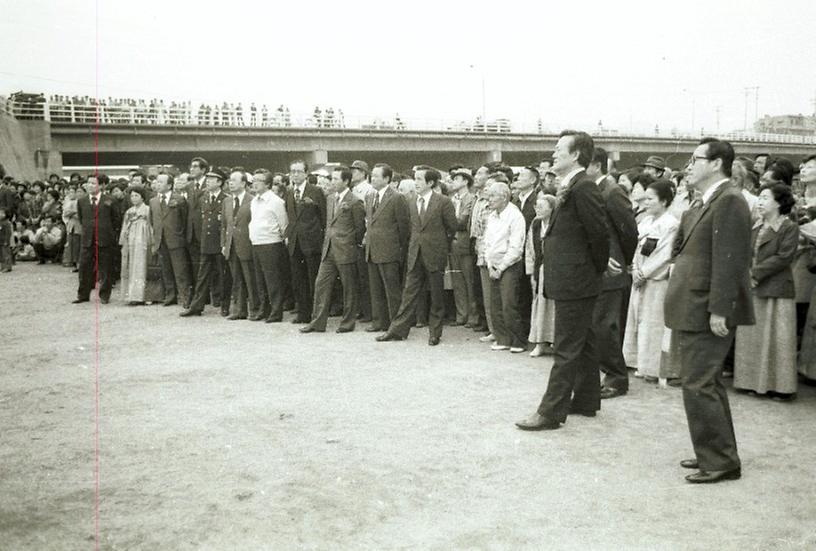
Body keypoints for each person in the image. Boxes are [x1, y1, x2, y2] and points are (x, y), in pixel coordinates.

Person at [664, 138, 753, 484]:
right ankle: (714, 452)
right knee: (703, 383)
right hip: (694, 305)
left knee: (699, 384)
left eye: (695, 159)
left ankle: (720, 461)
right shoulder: (708, 201)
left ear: (716, 163)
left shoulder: (729, 200)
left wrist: (720, 311)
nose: (689, 166)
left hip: (706, 308)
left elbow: (730, 262)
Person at [516, 130, 609, 431]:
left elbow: (599, 235)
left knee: (566, 346)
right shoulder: (573, 184)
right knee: (585, 341)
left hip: (576, 280)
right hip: (573, 279)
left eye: (559, 150)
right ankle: (586, 400)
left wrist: (591, 271)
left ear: (576, 156)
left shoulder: (583, 187)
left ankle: (550, 412)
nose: (553, 154)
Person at [376, 166, 457, 346]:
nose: (416, 182)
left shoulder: (443, 201)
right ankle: (397, 330)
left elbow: (452, 227)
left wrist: (438, 245)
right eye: (415, 179)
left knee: (436, 296)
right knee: (408, 294)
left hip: (434, 255)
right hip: (415, 254)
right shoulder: (411, 202)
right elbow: (410, 228)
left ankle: (435, 333)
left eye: (420, 179)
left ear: (430, 182)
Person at [734, 183, 799, 399]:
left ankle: (780, 387)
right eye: (759, 198)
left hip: (776, 288)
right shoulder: (756, 225)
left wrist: (755, 273)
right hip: (753, 286)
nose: (760, 202)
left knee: (777, 339)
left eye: (765, 198)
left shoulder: (788, 227)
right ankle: (752, 382)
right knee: (753, 336)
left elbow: (784, 257)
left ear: (779, 202)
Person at [588, 148, 639, 399]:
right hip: (598, 268)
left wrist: (622, 259)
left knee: (606, 325)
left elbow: (629, 231)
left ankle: (617, 379)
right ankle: (606, 374)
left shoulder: (611, 191)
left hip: (612, 268)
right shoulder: (595, 190)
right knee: (597, 325)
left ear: (596, 165)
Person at [622, 180, 679, 383]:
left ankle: (653, 367)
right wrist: (635, 269)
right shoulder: (645, 222)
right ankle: (637, 361)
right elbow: (637, 250)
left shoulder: (671, 224)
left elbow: (665, 255)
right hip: (639, 278)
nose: (647, 202)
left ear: (663, 201)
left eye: (651, 198)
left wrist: (644, 273)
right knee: (637, 319)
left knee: (653, 324)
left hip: (656, 279)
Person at [301, 166, 366, 333]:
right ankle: (317, 322)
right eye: (332, 179)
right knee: (321, 284)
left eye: (336, 179)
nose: (333, 182)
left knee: (349, 288)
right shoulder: (330, 199)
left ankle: (347, 323)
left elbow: (359, 229)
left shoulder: (355, 201)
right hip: (328, 249)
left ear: (346, 181)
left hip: (346, 250)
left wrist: (350, 245)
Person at [365, 163, 410, 333]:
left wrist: (398, 250)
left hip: (389, 250)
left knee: (392, 290)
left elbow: (403, 227)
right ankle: (379, 322)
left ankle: (396, 325)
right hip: (372, 249)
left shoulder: (396, 197)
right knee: (376, 289)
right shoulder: (370, 196)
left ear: (387, 179)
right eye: (372, 175)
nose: (372, 178)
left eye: (376, 176)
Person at [483, 181, 527, 353]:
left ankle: (518, 340)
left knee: (509, 303)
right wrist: (490, 264)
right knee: (495, 304)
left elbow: (516, 247)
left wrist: (500, 267)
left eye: (493, 195)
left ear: (504, 197)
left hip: (509, 265)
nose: (489, 198)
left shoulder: (515, 216)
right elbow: (487, 242)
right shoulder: (492, 216)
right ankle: (503, 338)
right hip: (492, 264)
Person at [180, 168, 230, 317]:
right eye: (207, 179)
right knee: (202, 277)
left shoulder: (225, 199)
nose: (208, 181)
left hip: (219, 243)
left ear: (220, 182)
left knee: (223, 276)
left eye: (212, 179)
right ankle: (196, 306)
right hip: (206, 243)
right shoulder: (204, 198)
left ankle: (224, 305)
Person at [285, 160, 327, 324]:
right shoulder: (289, 192)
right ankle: (303, 313)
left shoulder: (315, 191)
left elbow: (323, 217)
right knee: (298, 279)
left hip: (312, 242)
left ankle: (316, 314)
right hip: (295, 242)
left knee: (313, 279)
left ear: (306, 174)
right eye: (292, 171)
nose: (295, 174)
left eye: (298, 171)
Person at [73, 175, 121, 304]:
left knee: (105, 267)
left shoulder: (110, 200)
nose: (90, 186)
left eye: (93, 183)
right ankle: (82, 295)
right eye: (88, 183)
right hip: (88, 239)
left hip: (105, 239)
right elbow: (82, 219)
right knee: (84, 267)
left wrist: (108, 233)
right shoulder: (82, 201)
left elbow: (116, 220)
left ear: (101, 186)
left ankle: (104, 295)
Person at [249, 170, 289, 323]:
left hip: (271, 244)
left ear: (267, 184)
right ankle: (264, 310)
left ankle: (276, 312)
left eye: (259, 180)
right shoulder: (254, 201)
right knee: (260, 280)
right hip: (256, 243)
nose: (255, 183)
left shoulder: (276, 201)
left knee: (273, 280)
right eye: (253, 180)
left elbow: (283, 224)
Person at [220, 169, 259, 320]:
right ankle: (239, 310)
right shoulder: (227, 201)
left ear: (243, 183)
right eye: (229, 180)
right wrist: (224, 244)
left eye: (234, 180)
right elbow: (224, 225)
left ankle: (255, 310)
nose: (230, 183)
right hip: (231, 246)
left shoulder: (252, 200)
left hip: (247, 244)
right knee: (236, 279)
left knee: (251, 279)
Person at [150, 173, 192, 307]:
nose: (158, 184)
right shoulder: (153, 201)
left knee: (180, 271)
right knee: (166, 270)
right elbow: (153, 221)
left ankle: (185, 297)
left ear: (169, 185)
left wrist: (181, 236)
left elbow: (185, 220)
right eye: (157, 182)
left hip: (176, 240)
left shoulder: (179, 200)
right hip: (161, 240)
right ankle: (170, 295)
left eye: (161, 182)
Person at [526, 192, 557, 357]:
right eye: (536, 206)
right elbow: (530, 249)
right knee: (539, 305)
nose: (538, 209)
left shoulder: (557, 224)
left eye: (542, 206)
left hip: (555, 270)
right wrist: (531, 273)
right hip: (540, 270)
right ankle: (540, 343)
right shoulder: (536, 224)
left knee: (555, 307)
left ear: (552, 208)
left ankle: (555, 342)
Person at [448, 169, 477, 327]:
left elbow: (462, 222)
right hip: (453, 244)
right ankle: (461, 314)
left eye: (457, 178)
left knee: (469, 280)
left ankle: (473, 316)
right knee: (457, 280)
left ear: (466, 181)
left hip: (465, 245)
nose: (453, 181)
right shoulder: (452, 199)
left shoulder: (471, 199)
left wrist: (449, 222)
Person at [350, 160, 374, 323]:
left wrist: (364, 236)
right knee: (357, 277)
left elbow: (368, 217)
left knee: (365, 278)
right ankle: (361, 309)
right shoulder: (354, 190)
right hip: (354, 236)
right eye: (352, 170)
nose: (353, 173)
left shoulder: (367, 190)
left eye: (357, 170)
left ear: (364, 173)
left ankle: (368, 311)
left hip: (363, 237)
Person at [119, 187, 152, 304]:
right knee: (131, 265)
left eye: (136, 196)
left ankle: (143, 295)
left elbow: (151, 226)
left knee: (142, 265)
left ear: (142, 197)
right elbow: (124, 226)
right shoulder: (129, 211)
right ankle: (132, 295)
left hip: (143, 239)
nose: (134, 198)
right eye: (132, 196)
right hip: (131, 239)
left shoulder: (148, 210)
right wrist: (123, 241)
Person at [62, 187, 81, 270]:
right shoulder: (68, 202)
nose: (71, 194)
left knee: (78, 245)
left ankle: (78, 263)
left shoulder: (80, 202)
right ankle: (73, 262)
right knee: (71, 244)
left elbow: (80, 215)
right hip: (71, 225)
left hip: (79, 225)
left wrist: (72, 213)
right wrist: (73, 212)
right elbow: (65, 213)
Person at [0, 207, 12, 272]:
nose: (0, 214)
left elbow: (8, 233)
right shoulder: (0, 222)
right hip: (0, 241)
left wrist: (6, 241)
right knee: (1, 255)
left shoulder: (7, 223)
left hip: (5, 241)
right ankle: (2, 266)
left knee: (6, 254)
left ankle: (8, 267)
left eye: (2, 213)